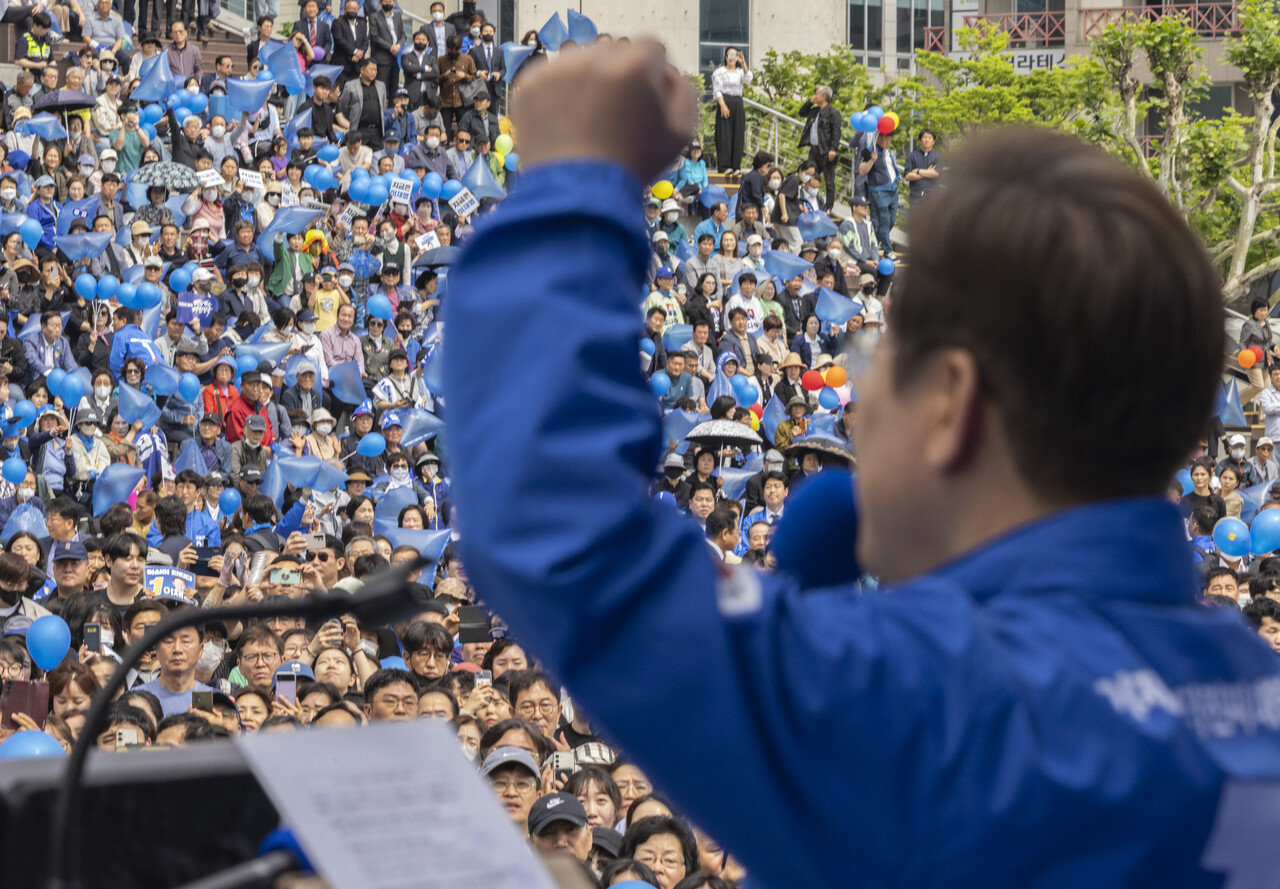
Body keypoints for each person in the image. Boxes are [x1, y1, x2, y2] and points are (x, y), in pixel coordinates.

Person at [443, 44, 1280, 888]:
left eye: (875, 357)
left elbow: (555, 526)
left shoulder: (927, 693)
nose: (857, 398)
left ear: (951, 401)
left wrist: (572, 185)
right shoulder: (1257, 689)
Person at [797, 86, 840, 213]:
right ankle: (806, 199)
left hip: (826, 151)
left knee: (829, 180)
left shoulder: (833, 113)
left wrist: (833, 148)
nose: (815, 96)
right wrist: (810, 102)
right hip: (814, 149)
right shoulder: (815, 111)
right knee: (808, 174)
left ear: (824, 96)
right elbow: (801, 112)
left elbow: (836, 132)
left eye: (817, 94)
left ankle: (828, 207)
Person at [859, 127, 900, 259]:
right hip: (878, 190)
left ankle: (872, 243)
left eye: (888, 138)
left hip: (893, 190)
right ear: (877, 136)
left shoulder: (890, 152)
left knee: (891, 221)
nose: (885, 140)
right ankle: (888, 251)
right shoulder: (869, 150)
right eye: (882, 137)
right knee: (884, 220)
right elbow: (861, 170)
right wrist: (872, 160)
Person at [710, 47, 750, 175]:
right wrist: (722, 105)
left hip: (738, 101)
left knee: (738, 133)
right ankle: (724, 165)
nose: (732, 58)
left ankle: (736, 165)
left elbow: (748, 80)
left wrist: (743, 63)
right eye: (729, 55)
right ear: (725, 57)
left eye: (735, 55)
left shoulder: (740, 72)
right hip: (725, 100)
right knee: (724, 134)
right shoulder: (719, 72)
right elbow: (717, 90)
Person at [904, 128, 942, 206]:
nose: (927, 140)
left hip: (933, 196)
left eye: (930, 138)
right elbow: (907, 176)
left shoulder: (938, 156)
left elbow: (936, 174)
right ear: (920, 140)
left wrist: (918, 171)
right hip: (916, 197)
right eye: (924, 137)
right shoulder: (912, 156)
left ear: (933, 142)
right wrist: (927, 173)